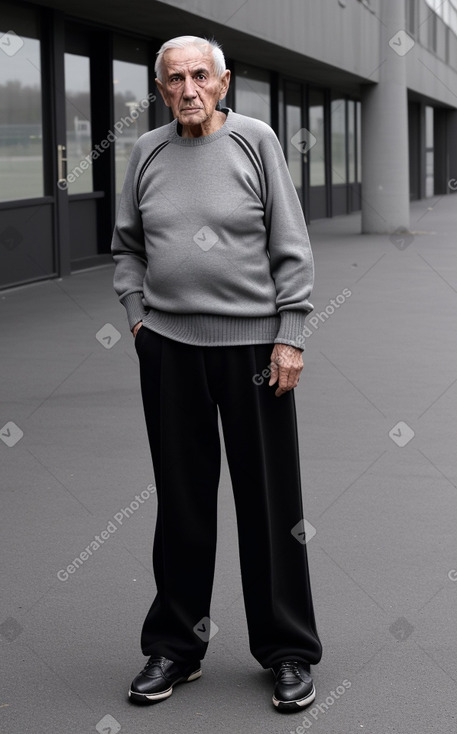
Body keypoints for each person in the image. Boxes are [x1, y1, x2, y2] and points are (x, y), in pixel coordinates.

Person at [111, 35, 322, 712]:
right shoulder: (146, 152)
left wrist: (290, 336)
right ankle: (175, 646)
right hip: (170, 347)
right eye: (175, 79)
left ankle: (286, 652)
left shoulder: (254, 141)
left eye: (201, 75)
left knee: (270, 506)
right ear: (161, 88)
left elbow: (290, 246)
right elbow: (127, 247)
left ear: (223, 82)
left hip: (256, 351)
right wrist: (139, 318)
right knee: (180, 501)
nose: (188, 89)